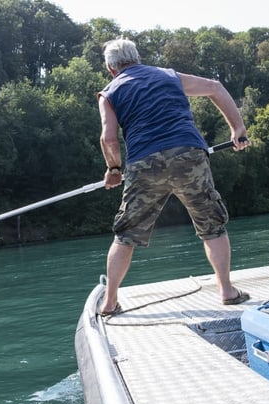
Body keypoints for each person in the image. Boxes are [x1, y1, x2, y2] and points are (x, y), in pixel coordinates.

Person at [97, 38, 251, 316]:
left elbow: (108, 138)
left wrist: (114, 170)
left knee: (126, 235)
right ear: (137, 58)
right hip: (188, 155)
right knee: (211, 224)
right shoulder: (168, 76)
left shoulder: (109, 92)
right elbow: (215, 87)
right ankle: (227, 291)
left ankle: (109, 303)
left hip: (144, 164)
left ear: (111, 69)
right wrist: (237, 128)